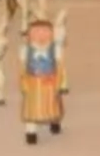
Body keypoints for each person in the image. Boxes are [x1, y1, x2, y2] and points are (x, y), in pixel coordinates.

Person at [18, 13, 66, 145]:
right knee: (31, 110)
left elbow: (60, 66)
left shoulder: (56, 50)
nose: (40, 38)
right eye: (36, 34)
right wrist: (23, 83)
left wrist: (59, 82)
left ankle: (54, 122)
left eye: (45, 33)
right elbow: (22, 68)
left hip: (50, 83)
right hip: (32, 84)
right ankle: (31, 132)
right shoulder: (25, 50)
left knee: (53, 105)